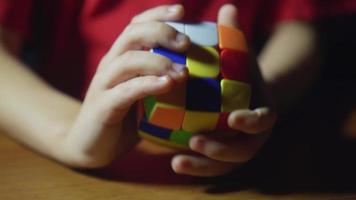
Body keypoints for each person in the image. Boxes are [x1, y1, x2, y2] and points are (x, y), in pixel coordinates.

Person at [1, 0, 346, 177]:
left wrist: (262, 94)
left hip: (252, 169)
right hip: (69, 160)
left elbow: (301, 27)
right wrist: (66, 131)